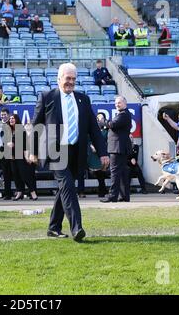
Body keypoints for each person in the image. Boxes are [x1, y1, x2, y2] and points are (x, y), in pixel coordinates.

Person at [30, 63, 109, 242]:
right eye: (68, 78)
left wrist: (103, 153)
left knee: (64, 189)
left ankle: (53, 227)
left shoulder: (83, 99)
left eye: (73, 79)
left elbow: (94, 129)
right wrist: (33, 151)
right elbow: (36, 126)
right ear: (59, 79)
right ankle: (77, 228)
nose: (71, 82)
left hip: (76, 152)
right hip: (55, 151)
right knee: (67, 186)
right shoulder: (47, 97)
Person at [99, 96, 132, 203]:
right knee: (121, 173)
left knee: (115, 172)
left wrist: (102, 120)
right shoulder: (123, 114)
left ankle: (113, 196)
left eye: (119, 103)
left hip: (117, 148)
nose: (117, 104)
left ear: (125, 103)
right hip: (119, 148)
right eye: (116, 103)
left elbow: (112, 124)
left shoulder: (123, 115)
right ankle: (124, 196)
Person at [8, 114, 38, 201]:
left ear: (17, 119)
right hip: (12, 156)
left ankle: (33, 192)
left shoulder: (20, 129)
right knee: (16, 175)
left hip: (20, 155)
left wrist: (26, 156)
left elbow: (24, 144)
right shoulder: (10, 130)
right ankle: (19, 192)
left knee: (24, 175)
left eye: (13, 118)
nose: (11, 120)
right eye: (10, 119)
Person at [86, 113, 109, 198]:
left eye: (102, 118)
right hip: (93, 155)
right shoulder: (92, 131)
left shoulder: (106, 131)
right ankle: (103, 190)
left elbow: (108, 142)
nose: (99, 120)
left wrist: (100, 148)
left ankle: (102, 190)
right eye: (98, 118)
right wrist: (92, 146)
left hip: (103, 154)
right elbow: (88, 140)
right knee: (97, 173)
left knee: (101, 173)